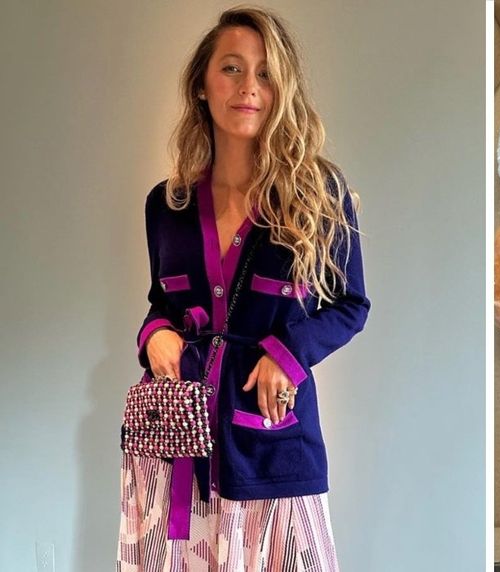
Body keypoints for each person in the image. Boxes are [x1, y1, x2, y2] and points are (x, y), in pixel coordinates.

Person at [117, 6, 369, 570]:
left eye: (266, 73)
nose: (249, 88)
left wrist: (288, 354)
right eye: (232, 69)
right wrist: (154, 333)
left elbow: (350, 305)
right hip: (176, 439)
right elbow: (163, 301)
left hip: (272, 436)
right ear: (202, 85)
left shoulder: (318, 192)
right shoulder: (168, 204)